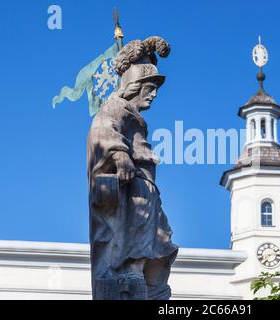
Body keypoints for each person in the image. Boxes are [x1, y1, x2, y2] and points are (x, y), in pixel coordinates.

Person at [87, 37, 178, 300]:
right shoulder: (116, 107)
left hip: (145, 192)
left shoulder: (132, 113)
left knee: (161, 243)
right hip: (132, 191)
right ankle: (134, 277)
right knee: (136, 245)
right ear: (134, 85)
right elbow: (101, 128)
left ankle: (154, 288)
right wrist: (120, 155)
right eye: (149, 87)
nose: (154, 93)